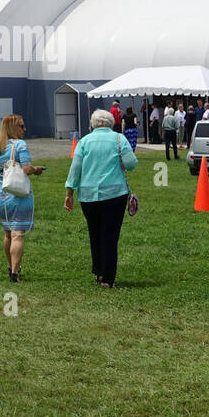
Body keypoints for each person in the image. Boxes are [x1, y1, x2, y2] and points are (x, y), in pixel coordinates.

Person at [64, 109, 138, 288]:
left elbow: (75, 168)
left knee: (94, 233)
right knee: (110, 235)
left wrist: (69, 194)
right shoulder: (119, 139)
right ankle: (108, 278)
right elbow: (131, 164)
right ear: (111, 123)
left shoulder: (84, 142)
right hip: (114, 194)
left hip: (88, 196)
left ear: (93, 123)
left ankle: (98, 271)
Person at [0, 114, 45, 282]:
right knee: (18, 234)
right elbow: (26, 168)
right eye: (21, 126)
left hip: (0, 191)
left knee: (8, 233)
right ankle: (15, 272)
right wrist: (36, 169)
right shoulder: (20, 145)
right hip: (17, 192)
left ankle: (11, 266)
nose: (24, 129)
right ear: (13, 128)